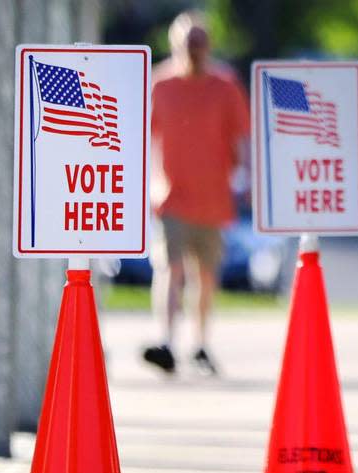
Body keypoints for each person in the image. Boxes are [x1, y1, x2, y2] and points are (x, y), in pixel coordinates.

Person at [141, 10, 250, 376]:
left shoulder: (225, 86)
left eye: (200, 43)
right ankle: (167, 341)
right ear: (175, 44)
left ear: (210, 47)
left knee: (205, 276)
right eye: (188, 43)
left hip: (213, 196)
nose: (194, 50)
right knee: (170, 268)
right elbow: (144, 138)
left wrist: (246, 179)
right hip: (171, 194)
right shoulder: (160, 85)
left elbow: (241, 137)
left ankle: (200, 343)